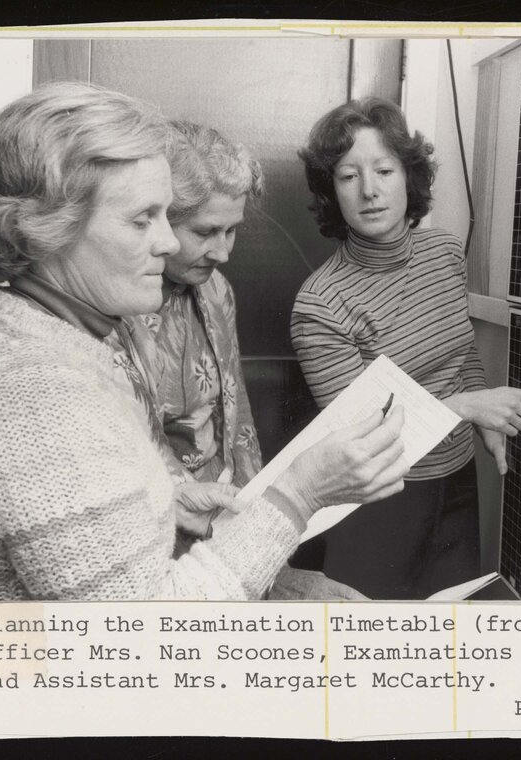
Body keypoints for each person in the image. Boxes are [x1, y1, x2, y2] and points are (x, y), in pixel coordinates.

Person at [0, 82, 408, 601]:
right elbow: (141, 642)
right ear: (45, 227)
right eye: (143, 219)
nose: (166, 243)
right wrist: (299, 494)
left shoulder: (44, 344)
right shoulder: (37, 399)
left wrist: (169, 504)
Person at [291, 97, 521, 599]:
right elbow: (362, 431)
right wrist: (465, 407)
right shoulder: (319, 303)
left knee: (451, 636)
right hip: (375, 500)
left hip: (456, 483)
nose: (369, 190)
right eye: (349, 176)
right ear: (331, 191)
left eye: (384, 170)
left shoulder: (441, 252)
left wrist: (484, 416)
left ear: (408, 177)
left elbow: (461, 354)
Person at [128, 119, 362, 599]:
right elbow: (136, 453)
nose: (224, 251)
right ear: (158, 221)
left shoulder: (216, 289)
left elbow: (239, 421)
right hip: (164, 545)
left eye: (233, 230)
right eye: (206, 231)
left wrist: (269, 549)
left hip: (233, 523)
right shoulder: (120, 307)